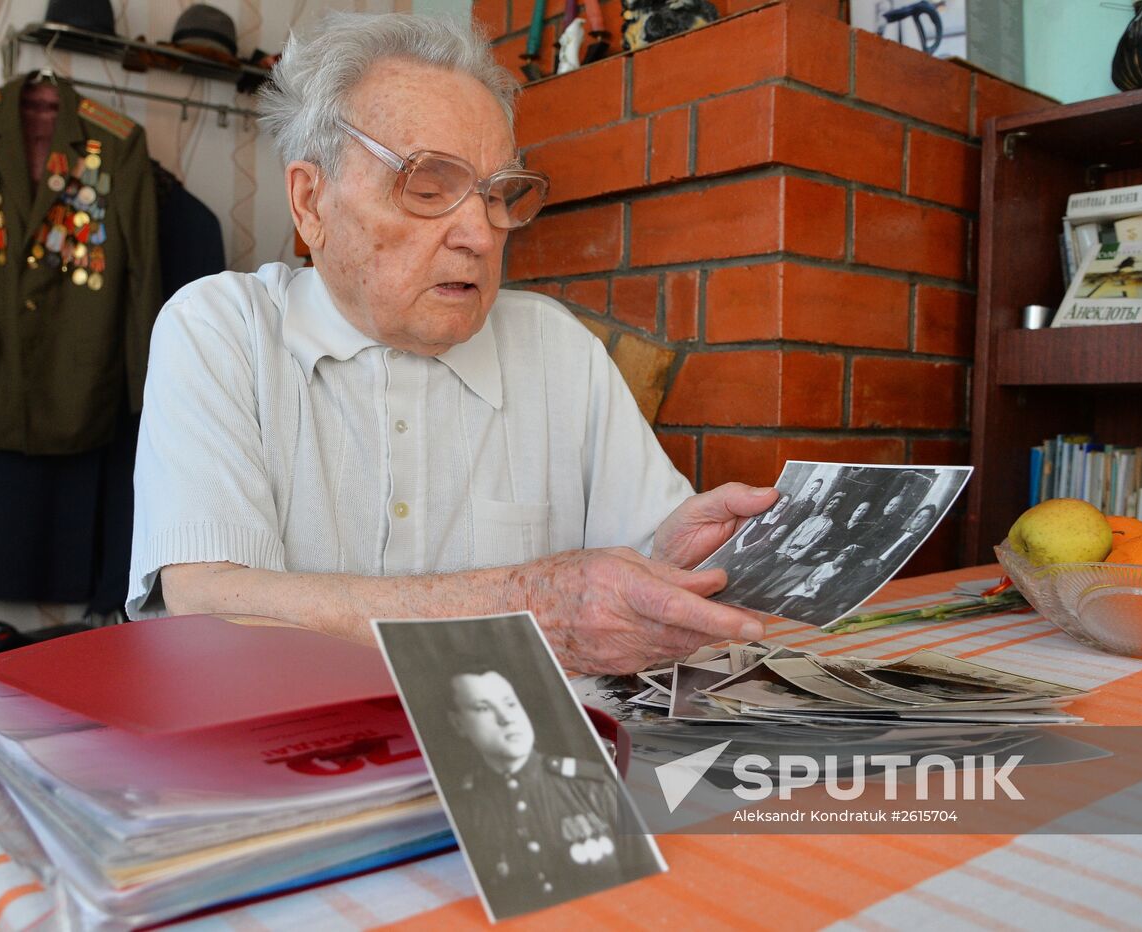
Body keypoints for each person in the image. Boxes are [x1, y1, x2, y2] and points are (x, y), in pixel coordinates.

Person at [125, 11, 775, 674]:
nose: (482, 234)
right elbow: (208, 604)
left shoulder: (557, 348)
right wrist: (529, 607)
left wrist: (670, 565)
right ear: (311, 202)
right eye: (428, 187)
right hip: (297, 762)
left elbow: (632, 579)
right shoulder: (220, 330)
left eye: (498, 195)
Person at [442, 667, 658, 915]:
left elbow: (647, 878)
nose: (506, 718)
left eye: (510, 704)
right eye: (483, 708)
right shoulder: (465, 806)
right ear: (457, 723)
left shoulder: (590, 785)